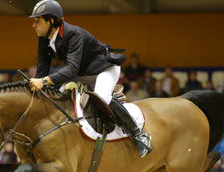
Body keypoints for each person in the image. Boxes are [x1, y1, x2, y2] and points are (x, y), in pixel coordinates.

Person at [28, 0, 151, 157]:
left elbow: (71, 70)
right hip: (83, 74)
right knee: (56, 94)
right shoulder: (44, 38)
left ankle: (138, 135)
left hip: (104, 70)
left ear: (51, 20)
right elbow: (43, 68)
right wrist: (37, 86)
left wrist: (44, 81)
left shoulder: (73, 34)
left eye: (37, 20)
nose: (34, 25)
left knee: (101, 97)